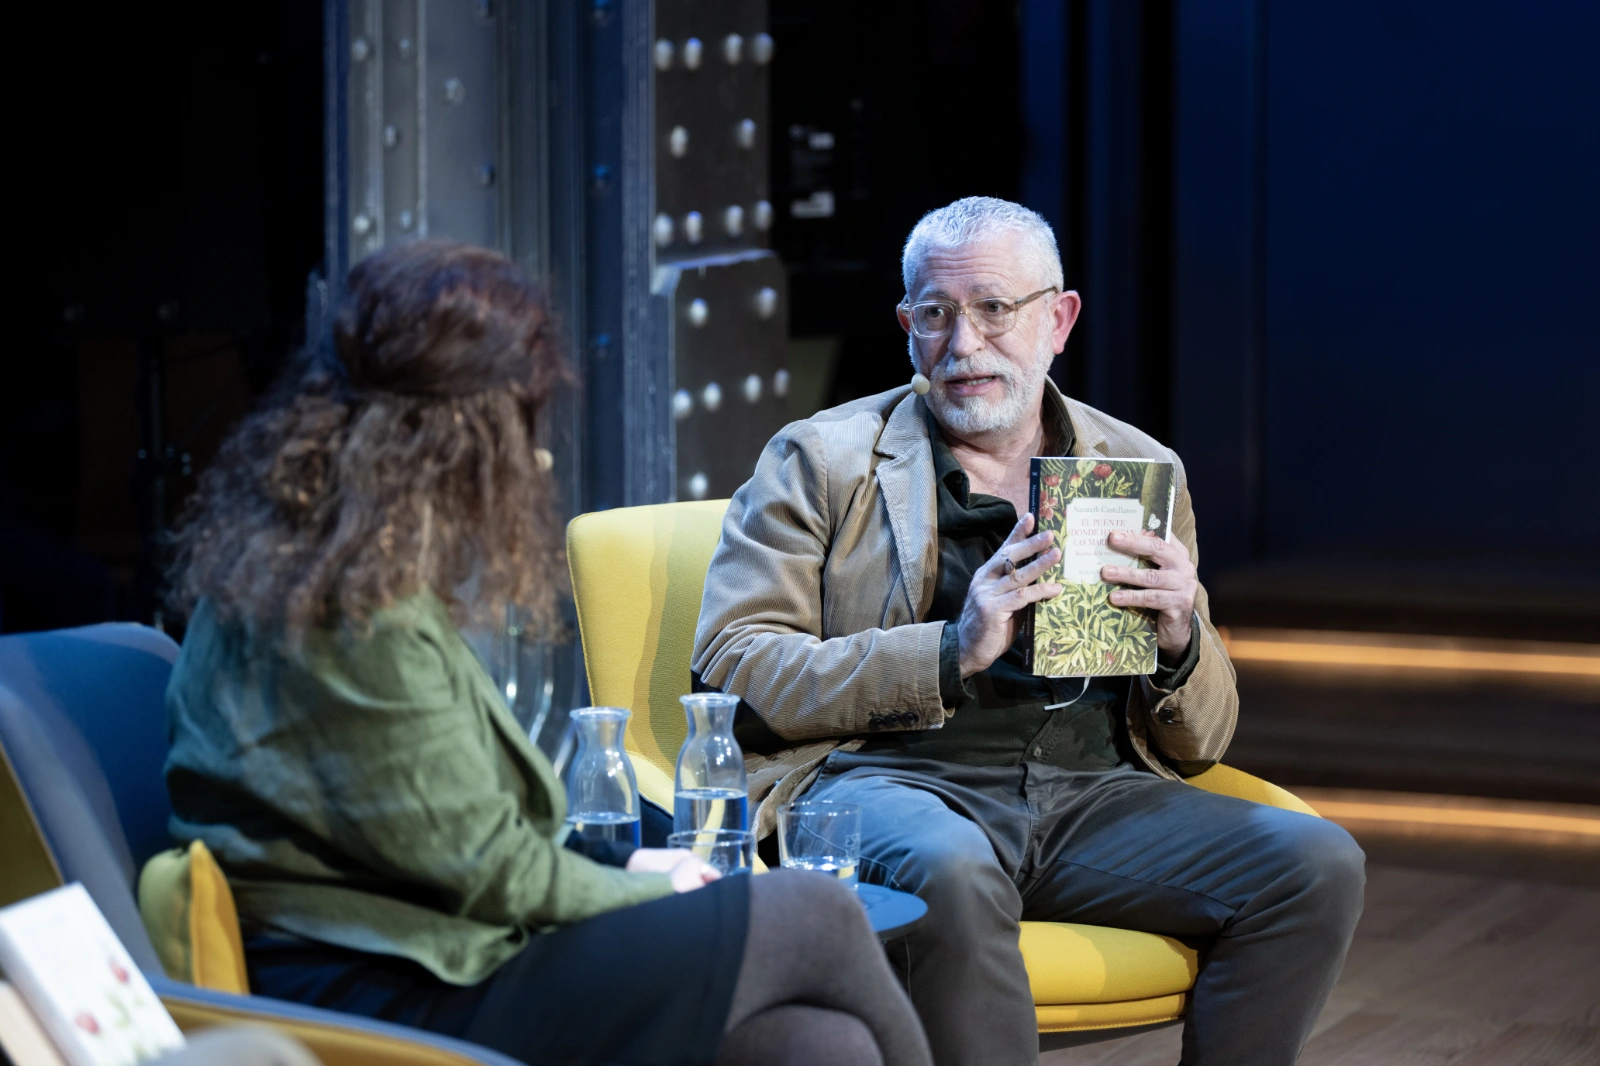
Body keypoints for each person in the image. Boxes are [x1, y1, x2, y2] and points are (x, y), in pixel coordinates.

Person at [161, 240, 932, 1066]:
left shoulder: (324, 565)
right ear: (460, 437)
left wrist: (628, 861)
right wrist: (642, 885)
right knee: (813, 914)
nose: (537, 459)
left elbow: (457, 834)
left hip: (431, 944)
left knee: (818, 1045)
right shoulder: (349, 613)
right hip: (392, 980)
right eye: (521, 425)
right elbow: (489, 870)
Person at [692, 197, 1366, 1065]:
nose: (963, 344)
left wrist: (1180, 642)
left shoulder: (1140, 467)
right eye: (935, 314)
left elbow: (1204, 740)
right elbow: (735, 663)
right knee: (949, 865)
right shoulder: (823, 459)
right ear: (907, 328)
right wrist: (951, 648)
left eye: (994, 309)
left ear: (1060, 319)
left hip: (1091, 796)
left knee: (1315, 863)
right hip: (888, 780)